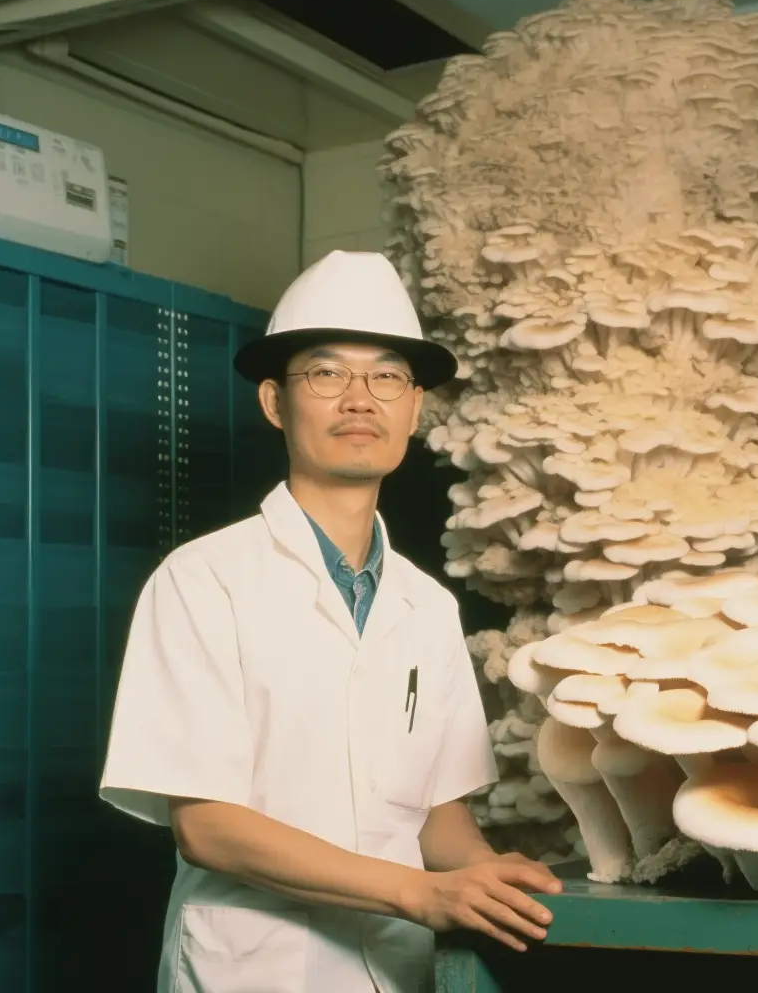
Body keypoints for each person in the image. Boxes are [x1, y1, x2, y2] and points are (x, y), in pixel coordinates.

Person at [99, 250, 561, 993]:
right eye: (326, 374)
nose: (359, 400)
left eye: (386, 377)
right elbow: (208, 827)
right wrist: (419, 892)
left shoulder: (428, 608)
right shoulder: (203, 580)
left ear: (414, 409)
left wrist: (491, 878)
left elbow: (438, 823)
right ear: (275, 402)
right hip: (254, 969)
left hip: (402, 967)